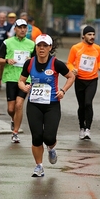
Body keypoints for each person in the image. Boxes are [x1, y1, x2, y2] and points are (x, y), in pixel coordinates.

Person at [19, 34, 75, 177]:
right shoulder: (29, 63)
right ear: (36, 47)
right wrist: (24, 87)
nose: (42, 48)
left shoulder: (56, 63)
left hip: (52, 105)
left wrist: (63, 90)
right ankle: (39, 166)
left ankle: (51, 148)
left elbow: (71, 76)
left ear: (50, 48)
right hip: (34, 104)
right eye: (39, 46)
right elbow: (21, 81)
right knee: (37, 137)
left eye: (45, 46)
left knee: (49, 137)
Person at [0, 19, 35, 143]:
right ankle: (14, 120)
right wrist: (7, 60)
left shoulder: (31, 44)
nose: (23, 30)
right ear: (15, 29)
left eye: (25, 27)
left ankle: (15, 132)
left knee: (19, 105)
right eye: (20, 27)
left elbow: (38, 61)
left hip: (25, 78)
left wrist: (31, 60)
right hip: (11, 78)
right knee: (11, 109)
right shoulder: (7, 43)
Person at [66, 25, 100, 140]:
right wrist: (72, 69)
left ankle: (88, 129)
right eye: (89, 34)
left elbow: (99, 61)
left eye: (93, 34)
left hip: (92, 79)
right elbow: (69, 62)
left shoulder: (97, 48)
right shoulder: (76, 48)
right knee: (81, 105)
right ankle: (81, 127)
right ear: (83, 36)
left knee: (88, 103)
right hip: (80, 79)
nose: (92, 37)